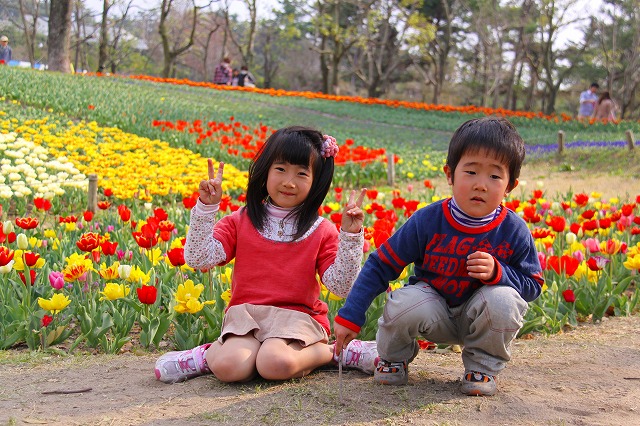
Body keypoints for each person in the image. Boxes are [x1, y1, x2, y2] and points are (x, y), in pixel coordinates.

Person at [334, 117, 544, 397]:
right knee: (403, 302)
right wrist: (350, 315)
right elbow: (381, 264)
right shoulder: (428, 220)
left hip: (481, 314)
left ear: (510, 186)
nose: (481, 184)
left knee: (504, 300)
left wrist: (499, 274)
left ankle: (481, 366)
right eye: (470, 172)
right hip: (434, 312)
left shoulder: (513, 230)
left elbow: (533, 285)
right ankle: (394, 358)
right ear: (449, 174)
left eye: (494, 176)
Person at [155, 126, 379, 384]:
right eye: (281, 169)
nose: (288, 182)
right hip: (246, 316)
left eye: (302, 173)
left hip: (298, 319)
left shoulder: (321, 230)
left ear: (316, 181)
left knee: (275, 364)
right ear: (266, 170)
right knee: (230, 367)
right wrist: (207, 208)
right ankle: (204, 356)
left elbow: (341, 286)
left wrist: (350, 236)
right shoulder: (241, 221)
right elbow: (198, 258)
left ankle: (335, 352)